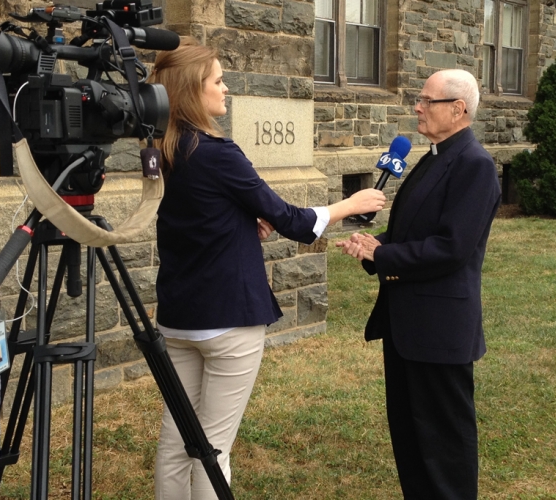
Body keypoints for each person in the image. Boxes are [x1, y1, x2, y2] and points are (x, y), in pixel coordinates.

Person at [148, 39, 387, 500]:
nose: (226, 88)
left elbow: (195, 218)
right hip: (227, 322)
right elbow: (293, 220)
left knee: (176, 441)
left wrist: (239, 219)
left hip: (178, 317)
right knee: (213, 447)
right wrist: (347, 205)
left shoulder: (165, 149)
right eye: (217, 80)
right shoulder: (217, 152)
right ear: (192, 91)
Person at [336, 69, 501, 500]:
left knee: (444, 442)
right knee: (410, 435)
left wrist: (383, 254)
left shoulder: (474, 165)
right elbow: (415, 233)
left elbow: (452, 247)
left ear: (459, 110)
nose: (417, 107)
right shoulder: (433, 157)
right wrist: (377, 244)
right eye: (420, 99)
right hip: (407, 324)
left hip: (440, 328)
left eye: (428, 100)